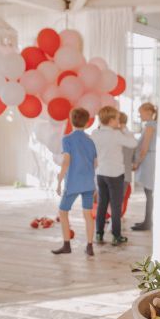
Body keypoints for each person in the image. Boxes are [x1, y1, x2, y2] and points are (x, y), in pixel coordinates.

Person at [52, 107, 97, 257]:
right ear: (86, 122)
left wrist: (59, 180)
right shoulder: (90, 141)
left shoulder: (67, 139)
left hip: (73, 182)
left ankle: (66, 245)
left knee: (63, 212)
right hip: (88, 183)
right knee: (88, 214)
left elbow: (66, 161)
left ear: (71, 121)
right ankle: (90, 247)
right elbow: (95, 163)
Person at [92, 105, 137, 246]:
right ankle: (116, 235)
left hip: (100, 173)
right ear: (111, 120)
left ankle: (99, 234)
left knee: (102, 205)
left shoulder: (95, 133)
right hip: (115, 174)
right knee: (116, 206)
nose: (119, 121)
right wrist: (124, 129)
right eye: (117, 119)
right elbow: (133, 143)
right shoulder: (116, 134)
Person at [132, 102, 157, 231]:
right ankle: (147, 221)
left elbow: (144, 148)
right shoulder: (153, 125)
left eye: (140, 112)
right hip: (151, 159)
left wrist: (137, 162)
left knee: (149, 193)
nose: (139, 115)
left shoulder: (150, 126)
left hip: (148, 161)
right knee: (149, 193)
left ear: (148, 112)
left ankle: (148, 222)